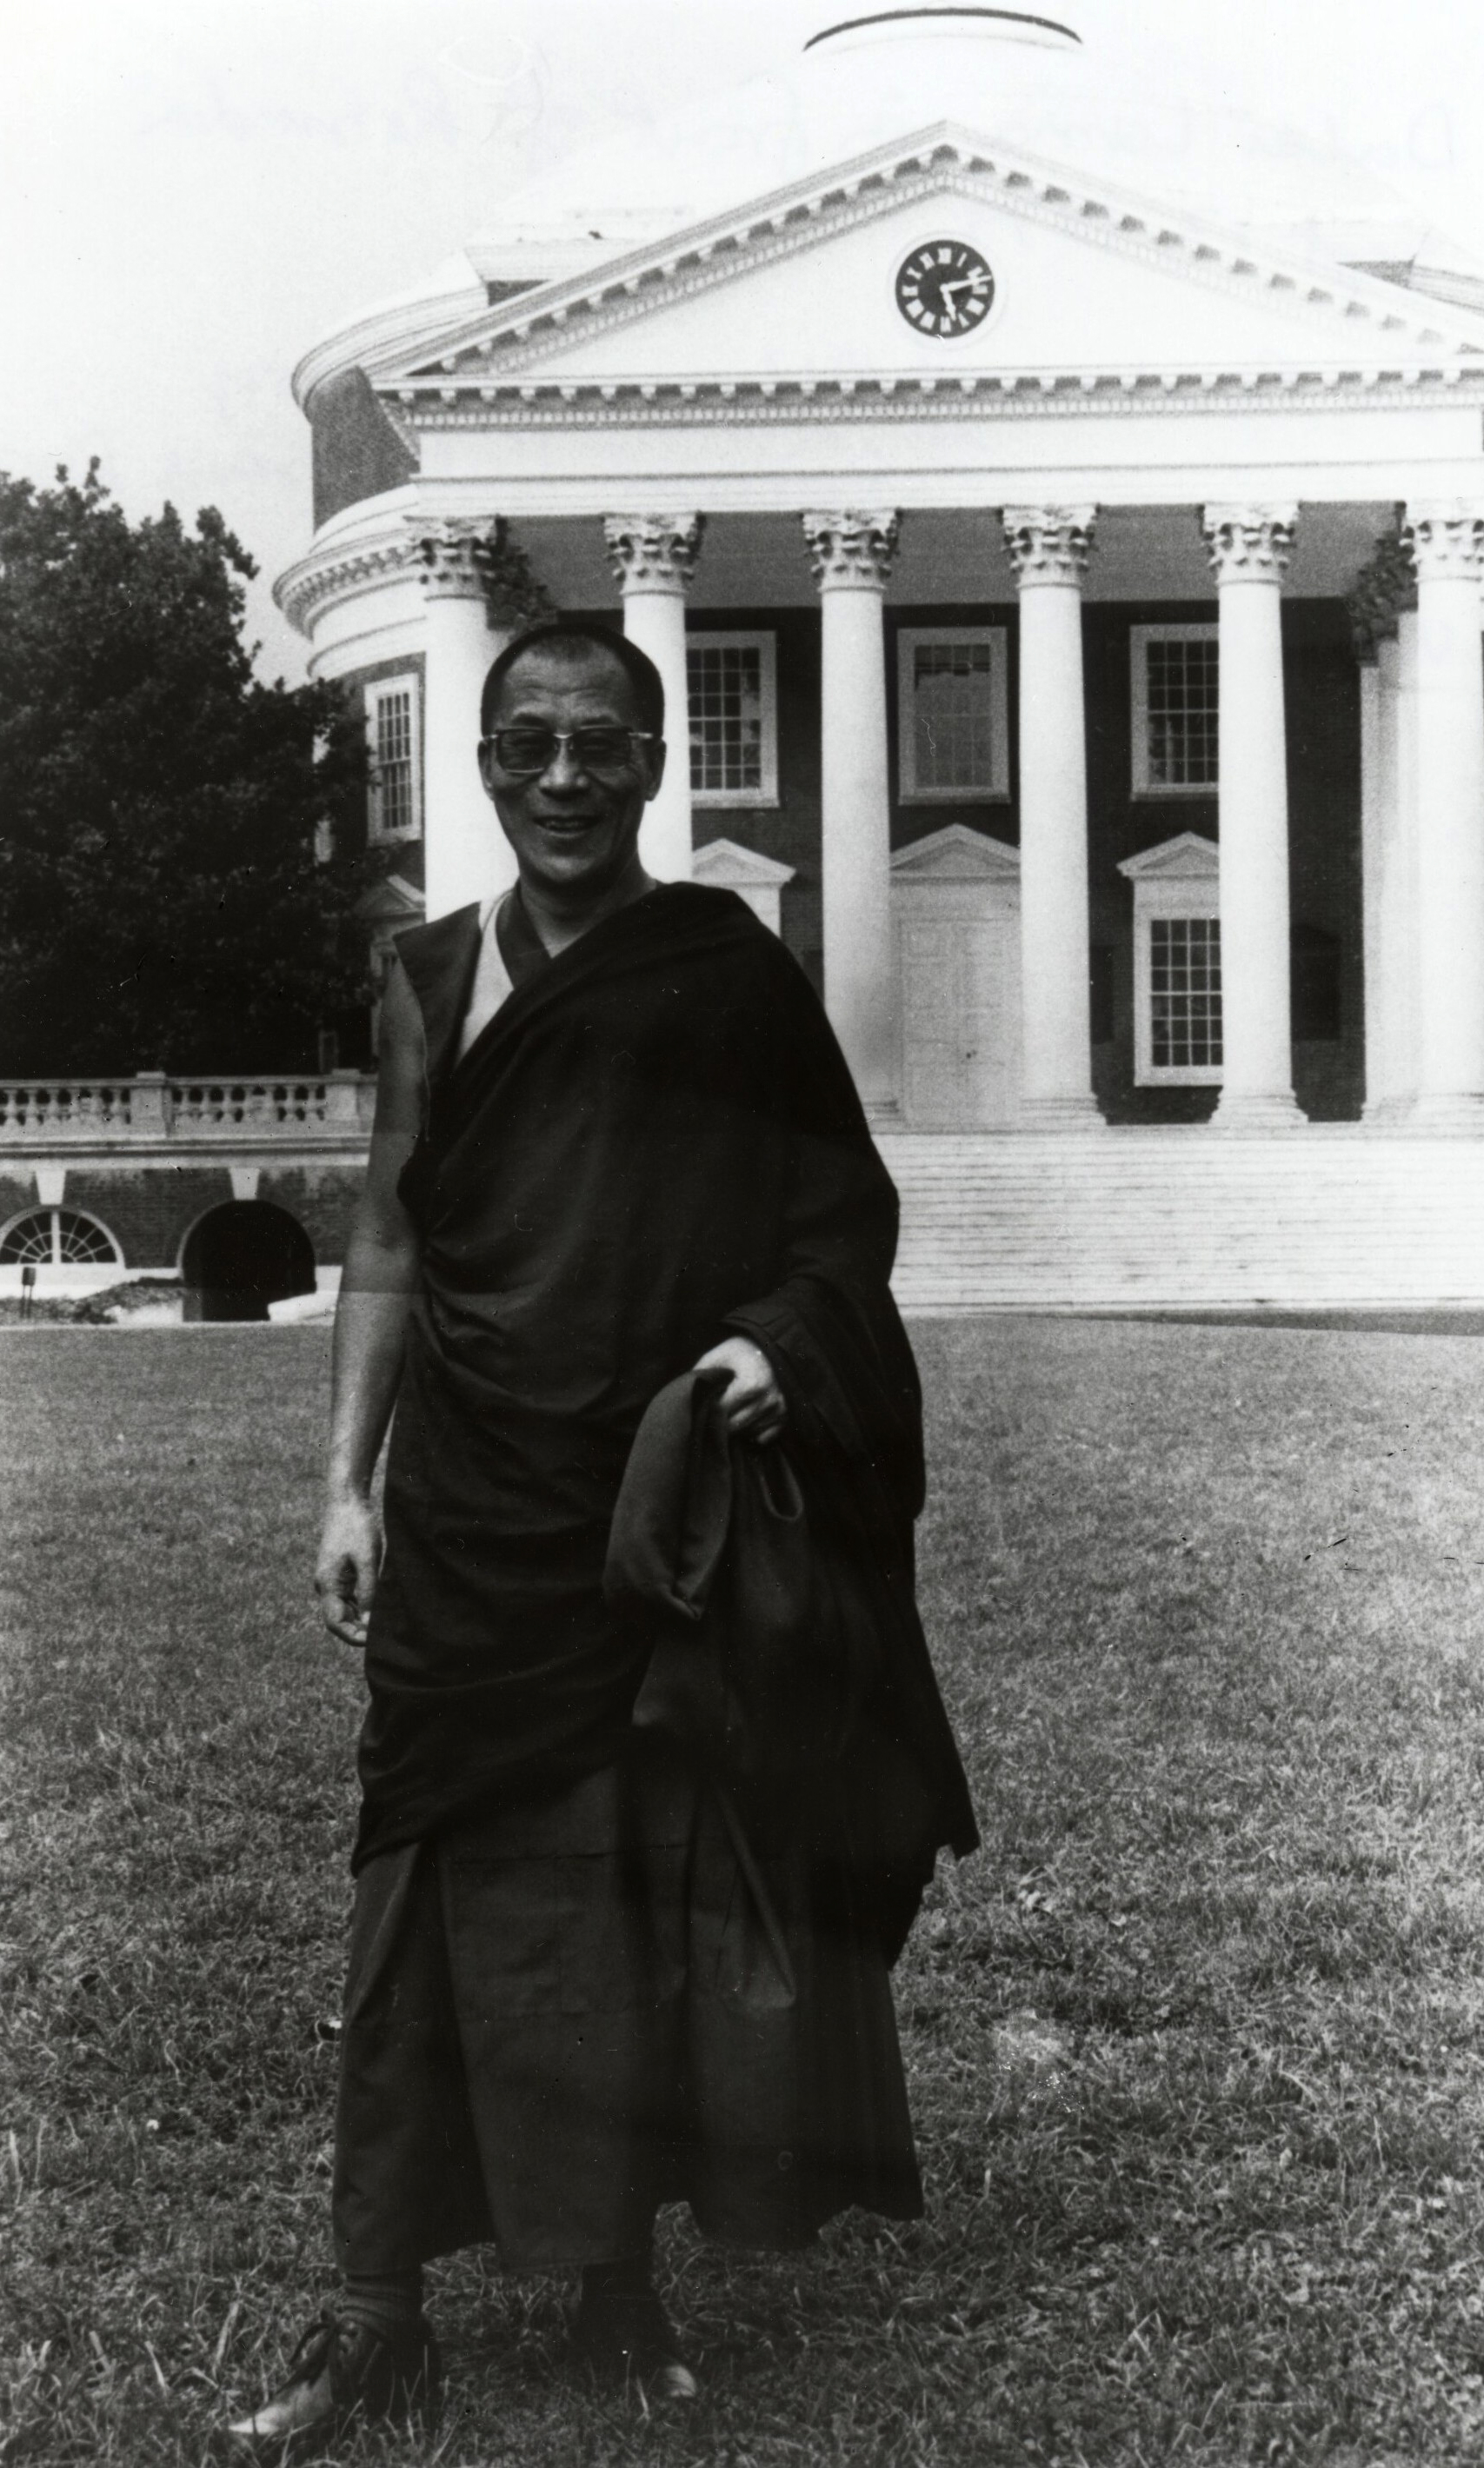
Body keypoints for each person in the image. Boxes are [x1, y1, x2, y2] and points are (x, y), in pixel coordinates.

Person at [228, 615, 976, 2457]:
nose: (561, 776)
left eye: (599, 744)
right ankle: (373, 2311)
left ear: (658, 763)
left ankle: (611, 2279)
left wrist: (765, 1346)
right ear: (483, 765)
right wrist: (345, 1482)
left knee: (625, 1887)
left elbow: (836, 1214)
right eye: (525, 745)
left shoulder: (719, 969)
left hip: (648, 1511)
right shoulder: (424, 975)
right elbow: (392, 1243)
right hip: (472, 1505)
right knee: (418, 1879)